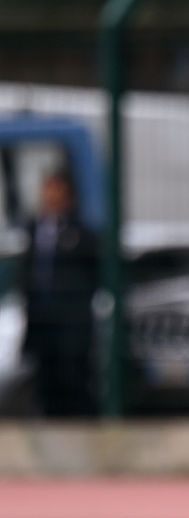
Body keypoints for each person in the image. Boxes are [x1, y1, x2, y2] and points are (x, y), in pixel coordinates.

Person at [22, 171, 98, 416]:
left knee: (74, 386)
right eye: (48, 191)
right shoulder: (33, 230)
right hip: (41, 323)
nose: (51, 198)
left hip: (71, 327)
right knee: (45, 387)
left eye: (58, 192)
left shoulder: (82, 233)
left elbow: (94, 274)